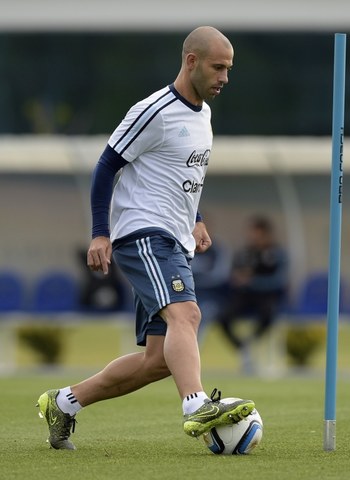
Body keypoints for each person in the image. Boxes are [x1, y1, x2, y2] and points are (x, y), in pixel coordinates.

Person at [36, 26, 255, 450]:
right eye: (218, 67)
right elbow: (105, 166)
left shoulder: (204, 115)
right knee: (187, 316)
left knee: (158, 361)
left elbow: (183, 175)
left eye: (229, 69)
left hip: (175, 237)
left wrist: (198, 218)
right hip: (142, 233)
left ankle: (63, 403)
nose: (225, 77)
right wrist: (100, 233)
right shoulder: (152, 110)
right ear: (191, 61)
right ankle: (196, 406)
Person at [216, 215, 288, 372]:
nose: (252, 237)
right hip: (244, 296)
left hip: (267, 296)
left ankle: (251, 342)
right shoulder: (244, 253)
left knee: (268, 314)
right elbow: (233, 274)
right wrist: (238, 279)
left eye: (257, 233)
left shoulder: (276, 253)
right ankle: (242, 347)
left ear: (266, 234)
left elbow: (279, 280)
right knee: (222, 317)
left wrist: (253, 281)